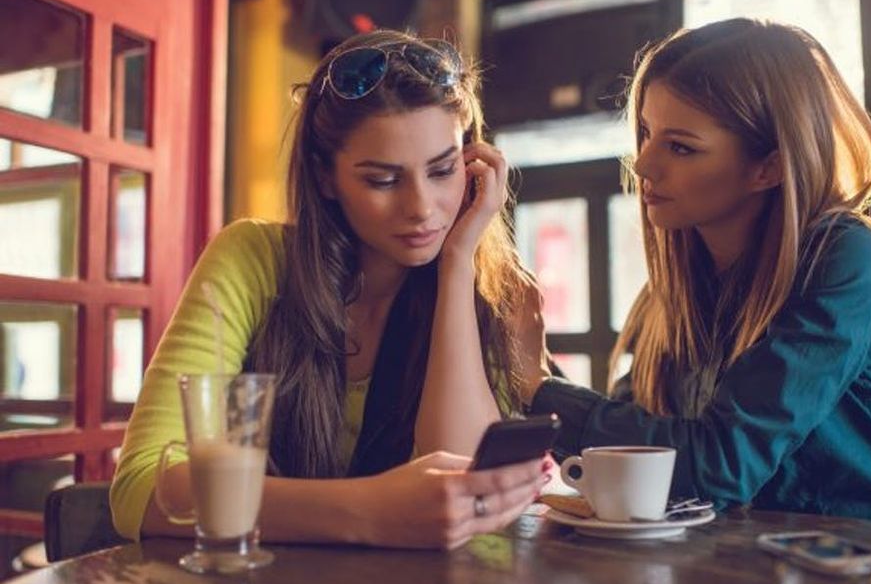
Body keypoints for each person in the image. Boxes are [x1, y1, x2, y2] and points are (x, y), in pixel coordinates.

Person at [111, 30, 550, 550]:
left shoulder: (492, 292)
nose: (423, 207)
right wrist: (369, 511)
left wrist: (457, 264)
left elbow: (472, 499)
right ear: (324, 177)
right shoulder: (252, 259)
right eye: (382, 180)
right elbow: (141, 488)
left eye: (442, 170)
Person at [517, 19, 871, 526]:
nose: (643, 164)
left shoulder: (844, 257)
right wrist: (531, 363)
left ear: (768, 167)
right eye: (647, 134)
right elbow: (635, 445)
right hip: (740, 565)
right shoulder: (679, 281)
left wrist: (537, 388)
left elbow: (720, 464)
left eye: (680, 147)